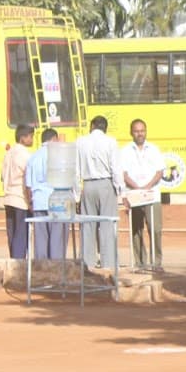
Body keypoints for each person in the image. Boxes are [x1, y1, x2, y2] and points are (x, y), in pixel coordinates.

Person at [120, 119, 165, 272]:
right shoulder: (125, 151)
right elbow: (123, 174)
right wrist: (136, 189)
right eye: (136, 131)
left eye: (142, 130)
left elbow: (160, 172)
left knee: (156, 229)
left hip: (152, 195)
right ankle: (140, 263)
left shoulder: (154, 149)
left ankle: (156, 263)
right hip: (134, 195)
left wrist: (146, 187)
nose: (140, 133)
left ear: (146, 131)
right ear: (131, 132)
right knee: (136, 231)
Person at [76, 115, 120, 269]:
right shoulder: (111, 142)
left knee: (88, 225)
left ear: (92, 125)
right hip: (106, 183)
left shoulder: (80, 141)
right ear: (105, 128)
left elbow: (76, 170)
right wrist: (118, 188)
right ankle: (109, 264)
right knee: (107, 224)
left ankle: (88, 264)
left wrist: (76, 194)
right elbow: (115, 168)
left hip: (87, 184)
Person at [23, 128, 67, 259]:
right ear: (54, 139)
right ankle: (57, 270)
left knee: (41, 240)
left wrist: (30, 203)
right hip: (57, 201)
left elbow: (28, 185)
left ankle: (41, 271)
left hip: (39, 201)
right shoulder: (58, 156)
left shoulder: (33, 157)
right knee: (57, 239)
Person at [0, 124, 33, 259]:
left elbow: (2, 176)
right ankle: (18, 266)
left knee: (12, 234)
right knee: (21, 234)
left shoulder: (8, 153)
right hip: (20, 199)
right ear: (22, 138)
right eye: (30, 137)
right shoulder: (24, 154)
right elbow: (28, 179)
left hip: (8, 198)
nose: (32, 140)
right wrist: (30, 200)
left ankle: (13, 262)